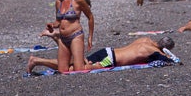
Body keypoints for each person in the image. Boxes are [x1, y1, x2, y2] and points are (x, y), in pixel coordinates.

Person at [26, 34, 174, 74]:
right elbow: (169, 60)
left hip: (107, 51)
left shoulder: (145, 39)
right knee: (75, 69)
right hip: (110, 60)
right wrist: (167, 55)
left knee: (75, 64)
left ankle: (38, 59)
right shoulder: (154, 51)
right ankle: (38, 59)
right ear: (164, 48)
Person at [52, 0, 95, 73]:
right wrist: (52, 25)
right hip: (63, 39)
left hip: (76, 36)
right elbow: (58, 22)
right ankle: (83, 63)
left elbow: (90, 17)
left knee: (79, 70)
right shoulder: (59, 2)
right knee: (62, 71)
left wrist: (90, 37)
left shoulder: (78, 0)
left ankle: (96, 66)